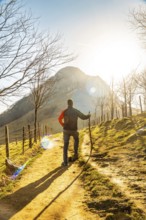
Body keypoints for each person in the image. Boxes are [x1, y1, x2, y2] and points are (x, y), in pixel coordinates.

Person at [58, 99, 90, 166]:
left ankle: (65, 162)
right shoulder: (76, 111)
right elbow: (83, 117)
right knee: (76, 140)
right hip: (74, 130)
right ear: (72, 104)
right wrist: (88, 115)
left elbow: (59, 119)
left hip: (66, 130)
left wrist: (63, 124)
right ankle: (75, 155)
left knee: (66, 145)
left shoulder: (64, 111)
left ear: (68, 104)